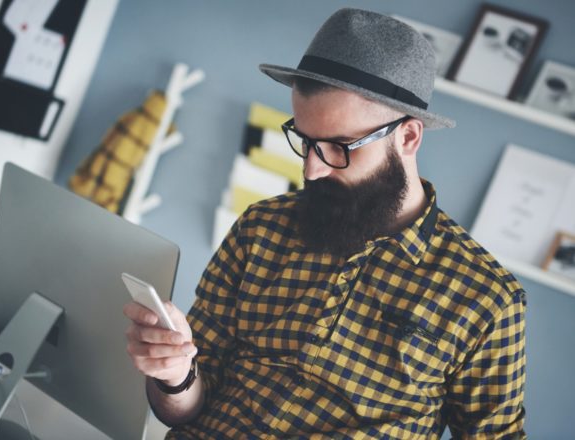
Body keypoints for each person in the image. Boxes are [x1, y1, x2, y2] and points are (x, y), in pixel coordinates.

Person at [124, 8, 527, 439]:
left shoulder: (486, 299)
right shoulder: (261, 228)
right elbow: (184, 409)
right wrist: (175, 374)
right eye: (305, 141)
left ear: (408, 137)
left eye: (338, 147)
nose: (312, 170)